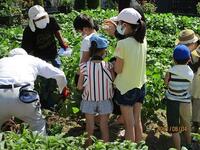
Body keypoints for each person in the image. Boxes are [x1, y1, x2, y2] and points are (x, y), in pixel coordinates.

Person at [0, 48, 69, 135]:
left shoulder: (2, 61)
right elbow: (60, 74)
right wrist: (62, 89)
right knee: (38, 126)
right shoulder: (32, 60)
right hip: (23, 95)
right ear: (25, 55)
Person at [21, 5, 70, 109]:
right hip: (40, 58)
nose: (42, 20)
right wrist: (36, 63)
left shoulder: (51, 21)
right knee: (46, 80)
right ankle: (46, 101)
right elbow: (27, 51)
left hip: (53, 53)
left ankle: (62, 94)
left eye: (43, 17)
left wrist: (62, 43)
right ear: (33, 20)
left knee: (59, 73)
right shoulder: (29, 31)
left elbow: (56, 32)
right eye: (39, 19)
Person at [112, 8, 147, 142]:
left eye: (120, 23)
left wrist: (112, 66)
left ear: (125, 25)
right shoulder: (143, 40)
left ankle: (130, 146)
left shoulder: (122, 44)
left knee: (129, 123)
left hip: (126, 88)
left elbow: (118, 69)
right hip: (140, 85)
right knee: (136, 120)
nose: (119, 26)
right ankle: (139, 144)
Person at [77, 34, 114, 145]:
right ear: (104, 51)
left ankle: (89, 145)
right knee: (104, 125)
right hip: (105, 99)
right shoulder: (108, 66)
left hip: (89, 99)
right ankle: (105, 145)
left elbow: (79, 86)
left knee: (90, 125)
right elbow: (113, 80)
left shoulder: (84, 66)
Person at [164, 45, 194, 150]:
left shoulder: (170, 71)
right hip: (185, 102)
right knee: (186, 123)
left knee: (174, 128)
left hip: (172, 102)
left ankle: (177, 147)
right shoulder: (191, 73)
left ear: (173, 59)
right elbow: (191, 88)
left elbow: (166, 83)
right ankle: (189, 143)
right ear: (189, 59)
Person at [175, 29, 200, 133]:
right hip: (189, 80)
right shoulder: (181, 49)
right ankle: (187, 126)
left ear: (193, 43)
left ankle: (195, 125)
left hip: (197, 79)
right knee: (189, 100)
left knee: (197, 100)